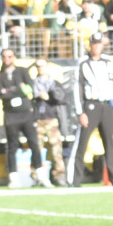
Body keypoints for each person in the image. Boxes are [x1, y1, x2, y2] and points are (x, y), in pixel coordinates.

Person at [68, 33, 113, 186]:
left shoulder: (108, 63)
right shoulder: (83, 63)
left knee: (109, 143)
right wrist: (80, 111)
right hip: (91, 105)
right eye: (94, 43)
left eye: (99, 44)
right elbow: (77, 88)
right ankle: (75, 179)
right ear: (91, 45)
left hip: (107, 105)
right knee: (82, 143)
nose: (97, 47)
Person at [0, 48, 44, 187]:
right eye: (4, 56)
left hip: (26, 113)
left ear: (14, 57)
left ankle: (39, 172)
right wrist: (19, 89)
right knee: (12, 146)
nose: (7, 59)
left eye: (9, 56)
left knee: (34, 143)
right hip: (10, 115)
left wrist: (11, 90)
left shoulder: (22, 71)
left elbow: (30, 88)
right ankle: (13, 176)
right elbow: (2, 94)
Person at [31, 57, 68, 186]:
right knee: (36, 148)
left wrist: (49, 97)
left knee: (56, 148)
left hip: (51, 118)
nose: (40, 68)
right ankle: (36, 176)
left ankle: (59, 175)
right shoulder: (32, 84)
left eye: (42, 66)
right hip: (37, 119)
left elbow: (62, 98)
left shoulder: (54, 83)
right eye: (38, 66)